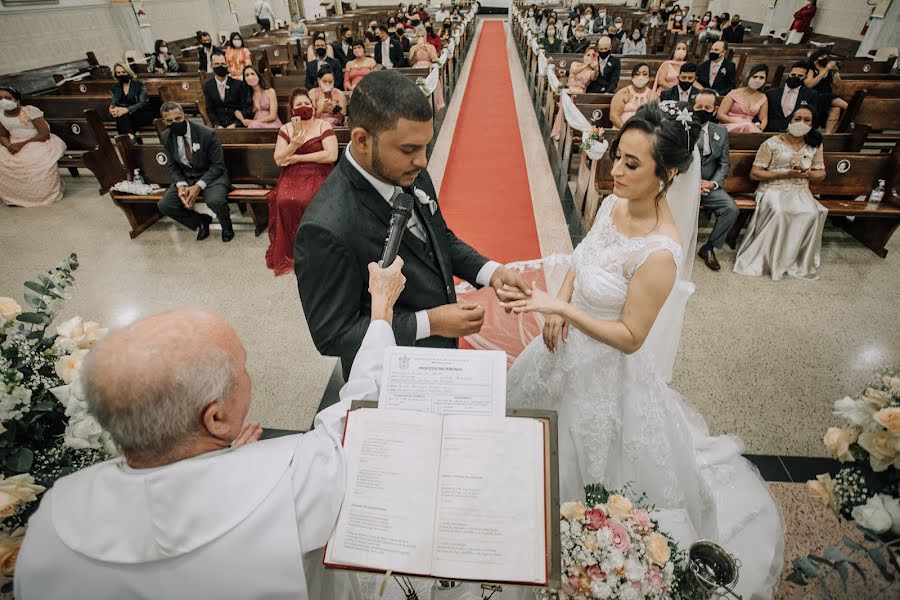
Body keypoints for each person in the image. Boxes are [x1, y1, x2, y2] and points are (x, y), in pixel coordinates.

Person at [499, 102, 784, 600]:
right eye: (618, 157)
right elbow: (581, 260)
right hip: (559, 351)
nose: (616, 171)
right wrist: (556, 303)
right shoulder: (613, 204)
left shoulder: (661, 252)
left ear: (667, 174)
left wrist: (560, 311)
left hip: (606, 372)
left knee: (593, 464)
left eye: (632, 164)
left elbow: (631, 337)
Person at [14, 257, 407, 599]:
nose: (247, 374)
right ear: (216, 419)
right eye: (243, 367)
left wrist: (221, 460)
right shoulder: (293, 479)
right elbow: (361, 417)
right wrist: (381, 311)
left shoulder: (52, 521)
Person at [295, 70, 530, 378]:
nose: (423, 162)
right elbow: (333, 334)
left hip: (440, 352)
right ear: (362, 140)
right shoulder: (325, 228)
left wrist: (490, 271)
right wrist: (430, 322)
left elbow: (436, 237)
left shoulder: (405, 169)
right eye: (409, 150)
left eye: (425, 147)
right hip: (392, 373)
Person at [734, 106, 827, 280]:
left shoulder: (815, 144)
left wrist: (807, 174)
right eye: (797, 118)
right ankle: (770, 259)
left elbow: (821, 174)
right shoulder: (772, 143)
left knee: (812, 212)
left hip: (800, 189)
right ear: (790, 120)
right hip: (773, 187)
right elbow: (755, 173)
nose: (801, 123)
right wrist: (784, 173)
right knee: (780, 211)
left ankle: (794, 260)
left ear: (812, 124)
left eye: (807, 120)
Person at [265, 88, 338, 276]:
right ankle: (294, 249)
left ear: (313, 107)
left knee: (309, 199)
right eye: (298, 105)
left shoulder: (323, 126)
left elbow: (331, 155)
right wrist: (294, 145)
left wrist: (299, 158)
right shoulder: (286, 129)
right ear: (292, 110)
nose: (303, 107)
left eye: (306, 103)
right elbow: (279, 159)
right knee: (284, 200)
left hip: (319, 171)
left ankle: (319, 246)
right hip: (292, 175)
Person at [155, 103, 234, 242]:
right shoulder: (166, 136)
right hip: (187, 177)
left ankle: (226, 226)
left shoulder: (207, 134)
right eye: (169, 121)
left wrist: (198, 186)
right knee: (165, 205)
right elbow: (172, 165)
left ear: (185, 117)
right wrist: (180, 184)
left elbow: (218, 166)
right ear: (164, 122)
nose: (174, 123)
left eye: (177, 119)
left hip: (212, 176)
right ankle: (200, 221)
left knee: (215, 200)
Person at [691, 89, 738, 272]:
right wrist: (692, 185)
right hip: (684, 185)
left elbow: (724, 163)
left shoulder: (721, 131)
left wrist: (713, 183)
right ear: (692, 107)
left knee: (731, 208)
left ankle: (709, 247)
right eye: (699, 106)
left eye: (707, 107)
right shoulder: (681, 128)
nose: (703, 110)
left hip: (709, 186)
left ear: (714, 109)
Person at [0, 86, 66, 207]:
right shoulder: (0, 115)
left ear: (16, 100)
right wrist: (9, 146)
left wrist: (21, 144)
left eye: (7, 98)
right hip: (14, 142)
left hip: (37, 140)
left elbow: (44, 134)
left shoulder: (29, 110)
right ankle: (16, 196)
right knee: (4, 161)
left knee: (33, 160)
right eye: (0, 98)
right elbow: (3, 135)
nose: (3, 101)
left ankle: (41, 195)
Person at [551, 47, 599, 140]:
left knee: (573, 102)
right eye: (587, 55)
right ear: (584, 56)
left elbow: (594, 78)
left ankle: (571, 133)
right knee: (566, 100)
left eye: (592, 56)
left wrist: (596, 69)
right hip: (568, 90)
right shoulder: (575, 64)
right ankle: (559, 131)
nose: (589, 57)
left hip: (580, 94)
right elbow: (574, 71)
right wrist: (586, 65)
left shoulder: (592, 71)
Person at [203, 50, 253, 128]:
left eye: (223, 64)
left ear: (227, 65)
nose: (220, 66)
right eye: (217, 64)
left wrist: (235, 124)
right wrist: (217, 125)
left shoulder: (239, 84)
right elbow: (210, 110)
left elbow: (246, 108)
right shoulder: (208, 86)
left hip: (238, 125)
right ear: (211, 66)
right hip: (218, 127)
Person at [764, 61, 818, 132]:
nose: (795, 77)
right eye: (793, 74)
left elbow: (813, 118)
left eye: (800, 76)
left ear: (805, 77)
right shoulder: (771, 93)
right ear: (789, 74)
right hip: (771, 132)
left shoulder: (811, 95)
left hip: (798, 132)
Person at [806, 49, 848, 134]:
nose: (824, 58)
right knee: (846, 105)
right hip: (815, 95)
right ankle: (853, 115)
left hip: (828, 96)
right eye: (821, 56)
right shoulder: (811, 69)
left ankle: (828, 134)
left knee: (836, 109)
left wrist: (836, 73)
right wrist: (826, 69)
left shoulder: (828, 70)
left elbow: (837, 86)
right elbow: (810, 84)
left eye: (825, 56)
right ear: (816, 59)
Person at [717, 64, 768, 133]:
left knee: (751, 129)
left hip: (749, 129)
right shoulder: (734, 93)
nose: (757, 80)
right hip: (729, 125)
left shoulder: (763, 98)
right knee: (748, 126)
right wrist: (738, 122)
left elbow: (763, 118)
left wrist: (761, 127)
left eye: (761, 78)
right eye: (755, 77)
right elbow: (720, 115)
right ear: (749, 77)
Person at [109, 63, 154, 139]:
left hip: (142, 112)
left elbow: (142, 103)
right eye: (118, 73)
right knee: (122, 116)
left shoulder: (139, 85)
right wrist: (112, 109)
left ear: (128, 72)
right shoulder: (115, 87)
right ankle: (131, 138)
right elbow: (114, 103)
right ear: (115, 74)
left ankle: (125, 140)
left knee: (122, 118)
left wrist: (126, 110)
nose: (121, 74)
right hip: (125, 114)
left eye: (124, 72)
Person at [610, 63, 654, 128]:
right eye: (637, 74)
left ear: (649, 77)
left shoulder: (653, 95)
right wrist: (625, 130)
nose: (640, 77)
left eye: (644, 74)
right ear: (632, 77)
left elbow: (655, 118)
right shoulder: (623, 93)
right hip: (621, 130)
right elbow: (614, 116)